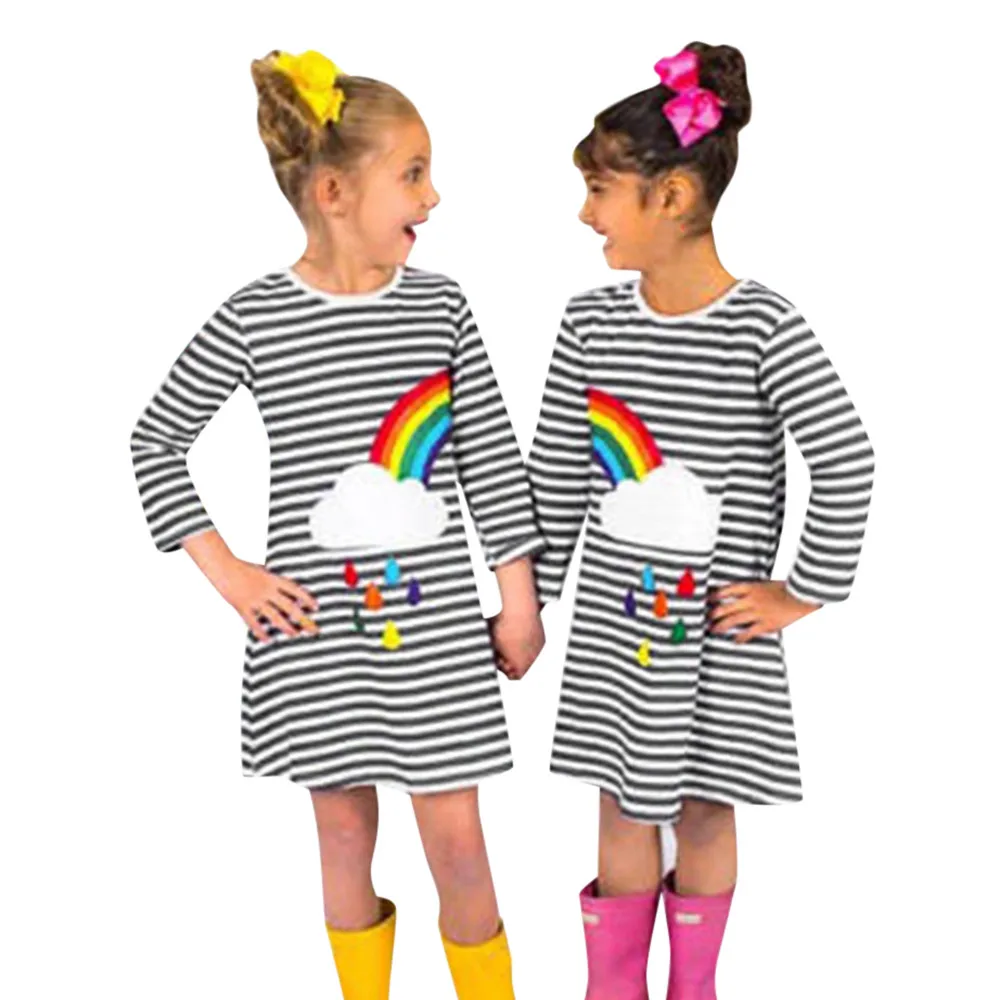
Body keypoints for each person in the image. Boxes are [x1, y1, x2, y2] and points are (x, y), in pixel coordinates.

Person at [128, 48, 546, 1000]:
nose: (433, 197)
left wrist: (517, 600)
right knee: (345, 835)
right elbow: (155, 439)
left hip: (436, 635)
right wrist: (230, 572)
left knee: (460, 847)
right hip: (316, 635)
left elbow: (490, 459)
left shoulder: (440, 306)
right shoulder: (256, 316)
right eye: (413, 174)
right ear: (333, 193)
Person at [526, 42, 875, 999]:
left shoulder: (763, 326)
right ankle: (613, 989)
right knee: (620, 806)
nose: (585, 213)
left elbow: (846, 453)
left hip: (719, 631)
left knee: (708, 810)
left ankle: (695, 988)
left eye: (600, 190)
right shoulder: (589, 323)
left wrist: (804, 591)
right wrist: (529, 604)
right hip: (617, 627)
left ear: (672, 196)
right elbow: (555, 477)